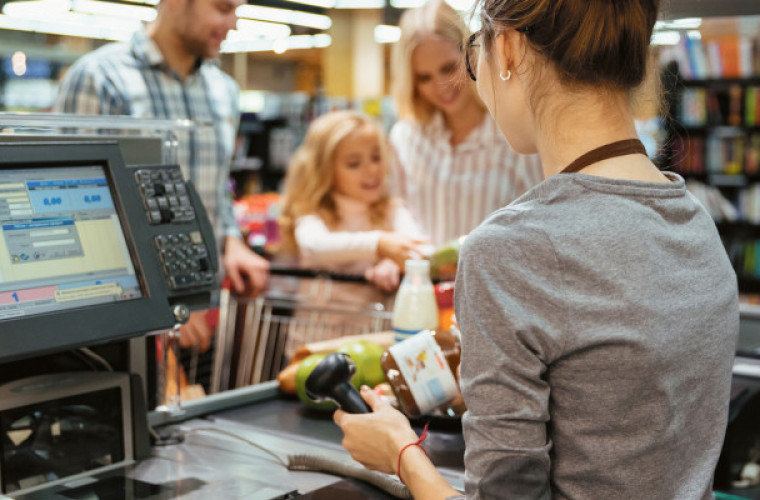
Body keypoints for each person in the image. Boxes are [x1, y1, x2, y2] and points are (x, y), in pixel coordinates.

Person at [334, 1, 739, 499]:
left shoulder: (508, 251)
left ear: (505, 48)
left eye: (470, 55)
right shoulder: (696, 222)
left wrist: (400, 452)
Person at [54, 0, 269, 351]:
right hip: (124, 322)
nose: (233, 24)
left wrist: (232, 240)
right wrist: (164, 306)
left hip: (204, 312)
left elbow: (216, 188)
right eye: (222, 7)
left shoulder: (223, 90)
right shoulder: (101, 78)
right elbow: (74, 209)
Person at [388, 0, 542, 247]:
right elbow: (394, 205)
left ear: (472, 53)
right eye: (424, 78)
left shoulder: (515, 135)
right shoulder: (405, 137)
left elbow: (540, 220)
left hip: (493, 282)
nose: (441, 86)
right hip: (422, 282)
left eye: (448, 68)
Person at [279, 110, 425, 356]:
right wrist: (380, 244)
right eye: (354, 164)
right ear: (324, 170)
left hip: (373, 348)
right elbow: (314, 245)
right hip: (313, 346)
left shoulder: (391, 210)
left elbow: (423, 249)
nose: (371, 171)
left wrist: (395, 261)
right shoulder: (314, 213)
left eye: (377, 157)